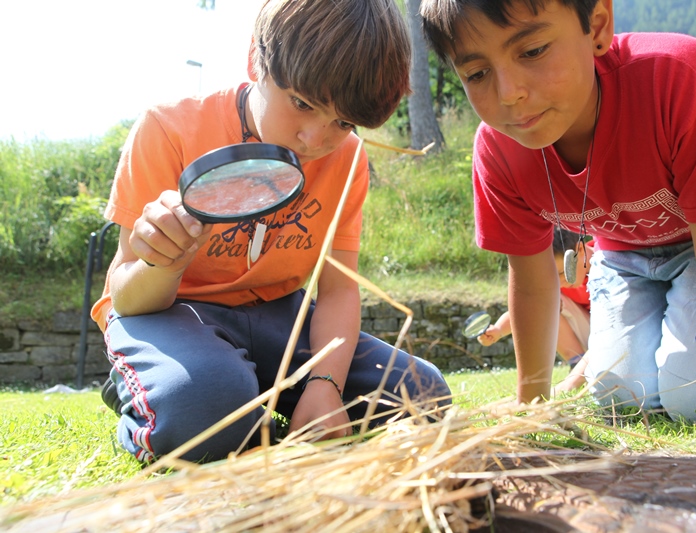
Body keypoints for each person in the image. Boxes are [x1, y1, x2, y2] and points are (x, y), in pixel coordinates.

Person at [92, 0, 451, 464]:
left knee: (421, 397)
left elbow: (340, 291)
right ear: (255, 61)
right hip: (171, 315)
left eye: (343, 122)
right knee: (203, 408)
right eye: (302, 103)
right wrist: (166, 261)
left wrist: (325, 385)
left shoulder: (347, 160)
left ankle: (238, 392)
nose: (314, 139)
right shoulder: (169, 129)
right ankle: (160, 391)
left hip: (277, 315)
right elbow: (125, 298)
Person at [420, 0, 696, 425]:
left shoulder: (676, 79)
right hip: (628, 252)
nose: (510, 94)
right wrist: (532, 407)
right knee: (618, 396)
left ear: (597, 25)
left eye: (532, 51)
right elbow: (531, 283)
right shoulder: (499, 150)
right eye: (476, 74)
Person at [478, 228, 592, 370]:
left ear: (580, 249)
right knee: (548, 300)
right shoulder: (555, 281)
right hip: (589, 336)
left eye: (562, 273)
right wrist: (498, 330)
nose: (559, 282)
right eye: (553, 277)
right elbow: (530, 307)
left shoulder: (608, 262)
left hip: (612, 333)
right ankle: (577, 363)